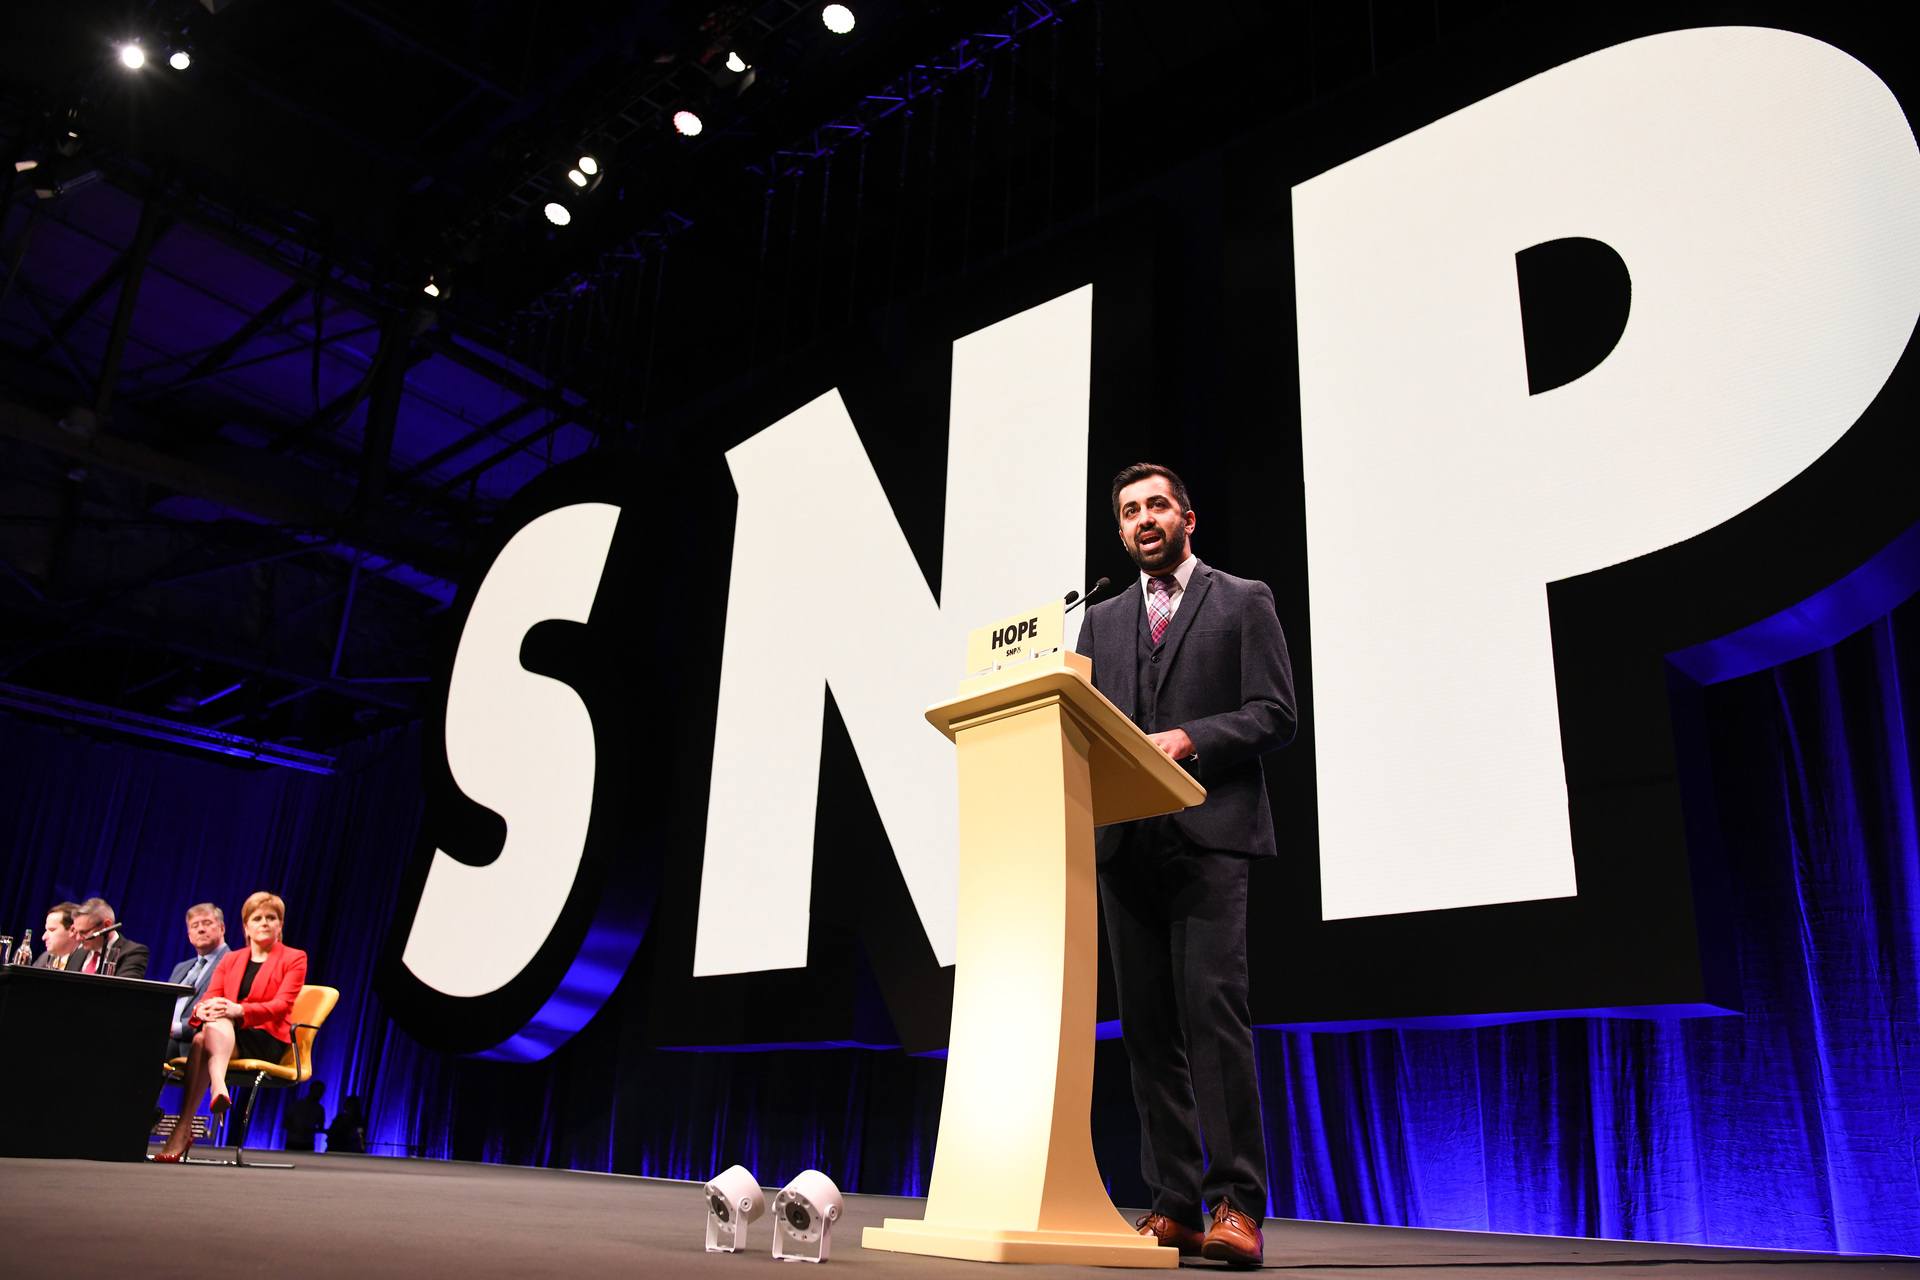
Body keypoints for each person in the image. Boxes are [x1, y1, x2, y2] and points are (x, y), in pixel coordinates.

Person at [1073, 463, 1296, 1267]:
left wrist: (1189, 738)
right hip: (1126, 844)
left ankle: (1237, 1205)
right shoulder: (1098, 621)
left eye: (1157, 505)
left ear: (1188, 518)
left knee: (1213, 1024)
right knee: (1147, 1033)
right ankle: (1173, 1204)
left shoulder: (1243, 600)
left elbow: (1275, 713)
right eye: (1130, 510)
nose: (1143, 519)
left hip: (1210, 838)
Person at [152, 891, 308, 1163]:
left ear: (280, 925)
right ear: (246, 926)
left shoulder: (294, 958)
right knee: (207, 1030)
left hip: (265, 1037)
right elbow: (211, 995)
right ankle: (216, 1089)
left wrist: (238, 1010)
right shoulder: (232, 959)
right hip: (226, 1036)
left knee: (209, 1032)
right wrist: (203, 1008)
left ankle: (187, 1123)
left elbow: (282, 1005)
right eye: (257, 918)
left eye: (272, 918)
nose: (265, 923)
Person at [164, 903, 231, 1060]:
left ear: (222, 928)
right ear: (189, 935)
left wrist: (177, 1029)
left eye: (207, 923)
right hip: (165, 1037)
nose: (201, 929)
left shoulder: (233, 962)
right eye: (195, 926)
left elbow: (219, 1013)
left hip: (194, 1041)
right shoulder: (181, 967)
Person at [71, 898, 149, 978]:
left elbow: (124, 988)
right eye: (76, 932)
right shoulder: (78, 953)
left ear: (107, 925)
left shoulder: (133, 953)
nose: (78, 938)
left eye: (84, 932)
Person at [31, 902, 84, 970]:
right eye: (46, 930)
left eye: (52, 930)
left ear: (73, 930)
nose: (44, 937)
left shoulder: (86, 961)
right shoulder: (44, 959)